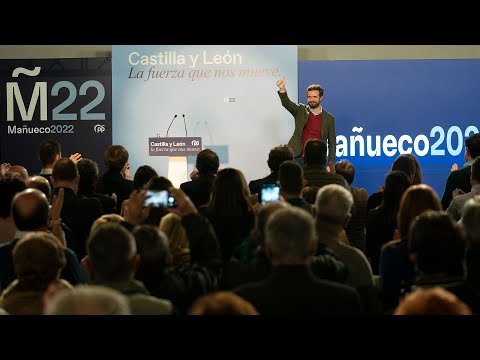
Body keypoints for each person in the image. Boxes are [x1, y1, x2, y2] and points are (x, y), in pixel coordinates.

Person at [276, 76, 336, 166]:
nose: (311, 100)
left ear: (321, 98)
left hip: (317, 159)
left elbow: (332, 143)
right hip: (297, 157)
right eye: (309, 97)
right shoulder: (300, 110)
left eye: (315, 97)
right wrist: (282, 89)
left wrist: (330, 164)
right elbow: (286, 103)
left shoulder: (329, 118)